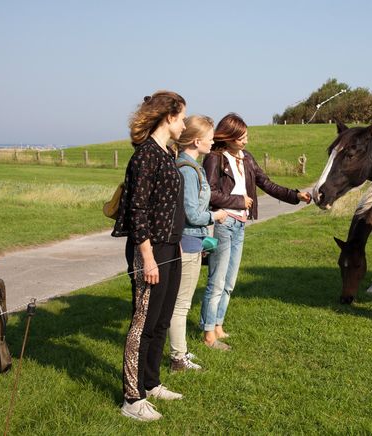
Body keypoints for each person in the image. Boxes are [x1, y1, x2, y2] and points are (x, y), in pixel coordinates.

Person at [201, 113, 312, 350]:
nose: (245, 141)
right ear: (228, 136)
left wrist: (295, 196)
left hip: (240, 225)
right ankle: (208, 333)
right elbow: (209, 193)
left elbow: (267, 184)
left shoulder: (247, 158)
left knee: (230, 281)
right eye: (241, 137)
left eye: (246, 136)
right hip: (224, 223)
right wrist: (238, 201)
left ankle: (219, 325)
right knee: (217, 280)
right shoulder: (214, 158)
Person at [111, 90, 187, 421]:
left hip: (171, 247)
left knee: (161, 320)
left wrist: (176, 245)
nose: (185, 123)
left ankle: (152, 382)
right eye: (182, 117)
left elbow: (168, 206)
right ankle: (132, 397)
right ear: (169, 116)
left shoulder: (166, 154)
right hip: (151, 250)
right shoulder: (144, 157)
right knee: (142, 324)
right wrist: (148, 256)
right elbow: (137, 210)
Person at [168, 115, 227, 371]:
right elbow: (191, 213)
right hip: (187, 241)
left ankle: (180, 352)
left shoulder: (192, 166)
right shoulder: (187, 170)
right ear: (196, 140)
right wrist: (216, 215)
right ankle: (178, 358)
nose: (213, 140)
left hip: (194, 241)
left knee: (181, 302)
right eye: (210, 136)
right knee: (181, 305)